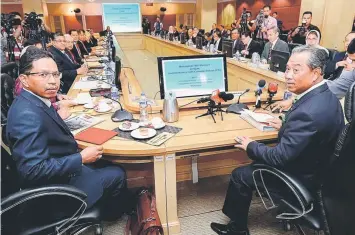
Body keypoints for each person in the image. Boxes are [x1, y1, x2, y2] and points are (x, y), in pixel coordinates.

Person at [211, 45, 344, 235]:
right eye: (288, 69)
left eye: (296, 70)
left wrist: (251, 145)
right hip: (320, 169)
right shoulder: (327, 97)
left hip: (303, 177)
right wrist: (286, 126)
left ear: (315, 73)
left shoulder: (308, 112)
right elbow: (315, 132)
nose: (287, 75)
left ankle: (237, 229)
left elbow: (279, 158)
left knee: (240, 175)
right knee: (257, 159)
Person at [6, 47, 129, 221]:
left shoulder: (34, 100)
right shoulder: (27, 115)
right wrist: (81, 158)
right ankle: (111, 217)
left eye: (56, 75)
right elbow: (32, 170)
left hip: (62, 169)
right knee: (117, 172)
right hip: (56, 191)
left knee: (107, 160)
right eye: (43, 75)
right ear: (24, 80)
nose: (52, 82)